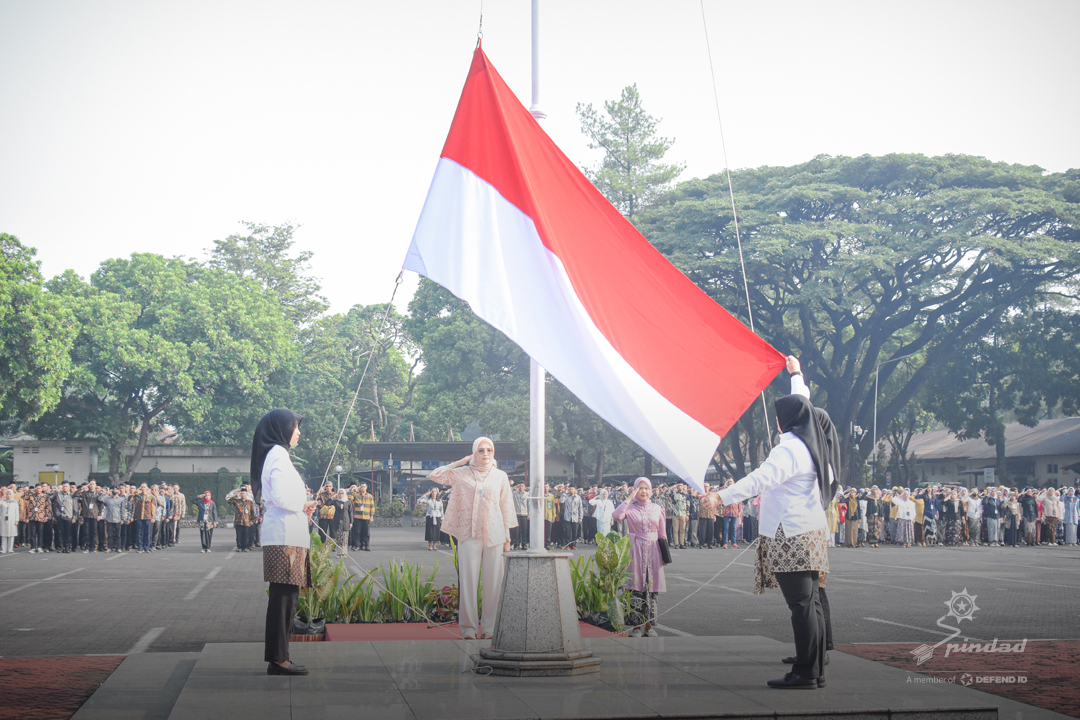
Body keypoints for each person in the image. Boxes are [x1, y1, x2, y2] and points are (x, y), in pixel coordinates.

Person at [716, 355, 837, 690]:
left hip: (790, 534)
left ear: (785, 421)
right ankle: (814, 669)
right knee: (810, 603)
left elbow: (760, 479)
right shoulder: (816, 445)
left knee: (801, 606)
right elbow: (804, 405)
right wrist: (796, 374)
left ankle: (805, 673)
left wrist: (720, 497)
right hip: (809, 531)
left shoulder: (789, 451)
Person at [430, 437, 517, 640]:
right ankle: (468, 628)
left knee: (494, 582)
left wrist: (507, 538)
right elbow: (435, 475)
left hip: (494, 534)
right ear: (474, 452)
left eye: (489, 450)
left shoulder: (500, 476)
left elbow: (506, 507)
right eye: (480, 450)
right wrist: (460, 462)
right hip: (468, 533)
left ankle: (489, 628)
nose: (485, 453)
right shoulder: (461, 474)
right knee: (468, 580)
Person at [253, 408, 317, 676]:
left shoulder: (279, 455)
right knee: (283, 600)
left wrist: (303, 506)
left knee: (287, 599)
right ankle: (278, 659)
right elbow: (280, 497)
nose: (299, 432)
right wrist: (303, 504)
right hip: (284, 538)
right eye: (295, 427)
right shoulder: (277, 455)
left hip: (288, 535)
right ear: (282, 429)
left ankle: (279, 656)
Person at [612, 477, 668, 637]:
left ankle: (649, 627)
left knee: (651, 589)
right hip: (635, 550)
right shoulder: (630, 508)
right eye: (640, 488)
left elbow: (662, 534)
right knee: (635, 588)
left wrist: (665, 556)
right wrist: (629, 498)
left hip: (654, 551)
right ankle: (636, 627)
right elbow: (616, 515)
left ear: (651, 490)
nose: (643, 491)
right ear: (635, 489)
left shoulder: (658, 508)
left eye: (646, 488)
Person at [331, 488, 353, 557]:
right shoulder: (335, 501)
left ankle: (344, 553)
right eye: (339, 493)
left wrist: (351, 522)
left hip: (346, 521)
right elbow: (327, 503)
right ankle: (339, 553)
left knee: (345, 538)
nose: (341, 495)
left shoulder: (348, 502)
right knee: (339, 538)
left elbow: (351, 513)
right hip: (337, 522)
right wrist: (332, 498)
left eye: (342, 493)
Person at [1, 487, 19, 554]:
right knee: (4, 534)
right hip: (3, 520)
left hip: (12, 520)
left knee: (11, 535)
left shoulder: (15, 502)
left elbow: (17, 512)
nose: (8, 496)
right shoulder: (3, 502)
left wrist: (17, 520)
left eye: (10, 494)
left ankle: (10, 548)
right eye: (7, 494)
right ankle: (3, 549)